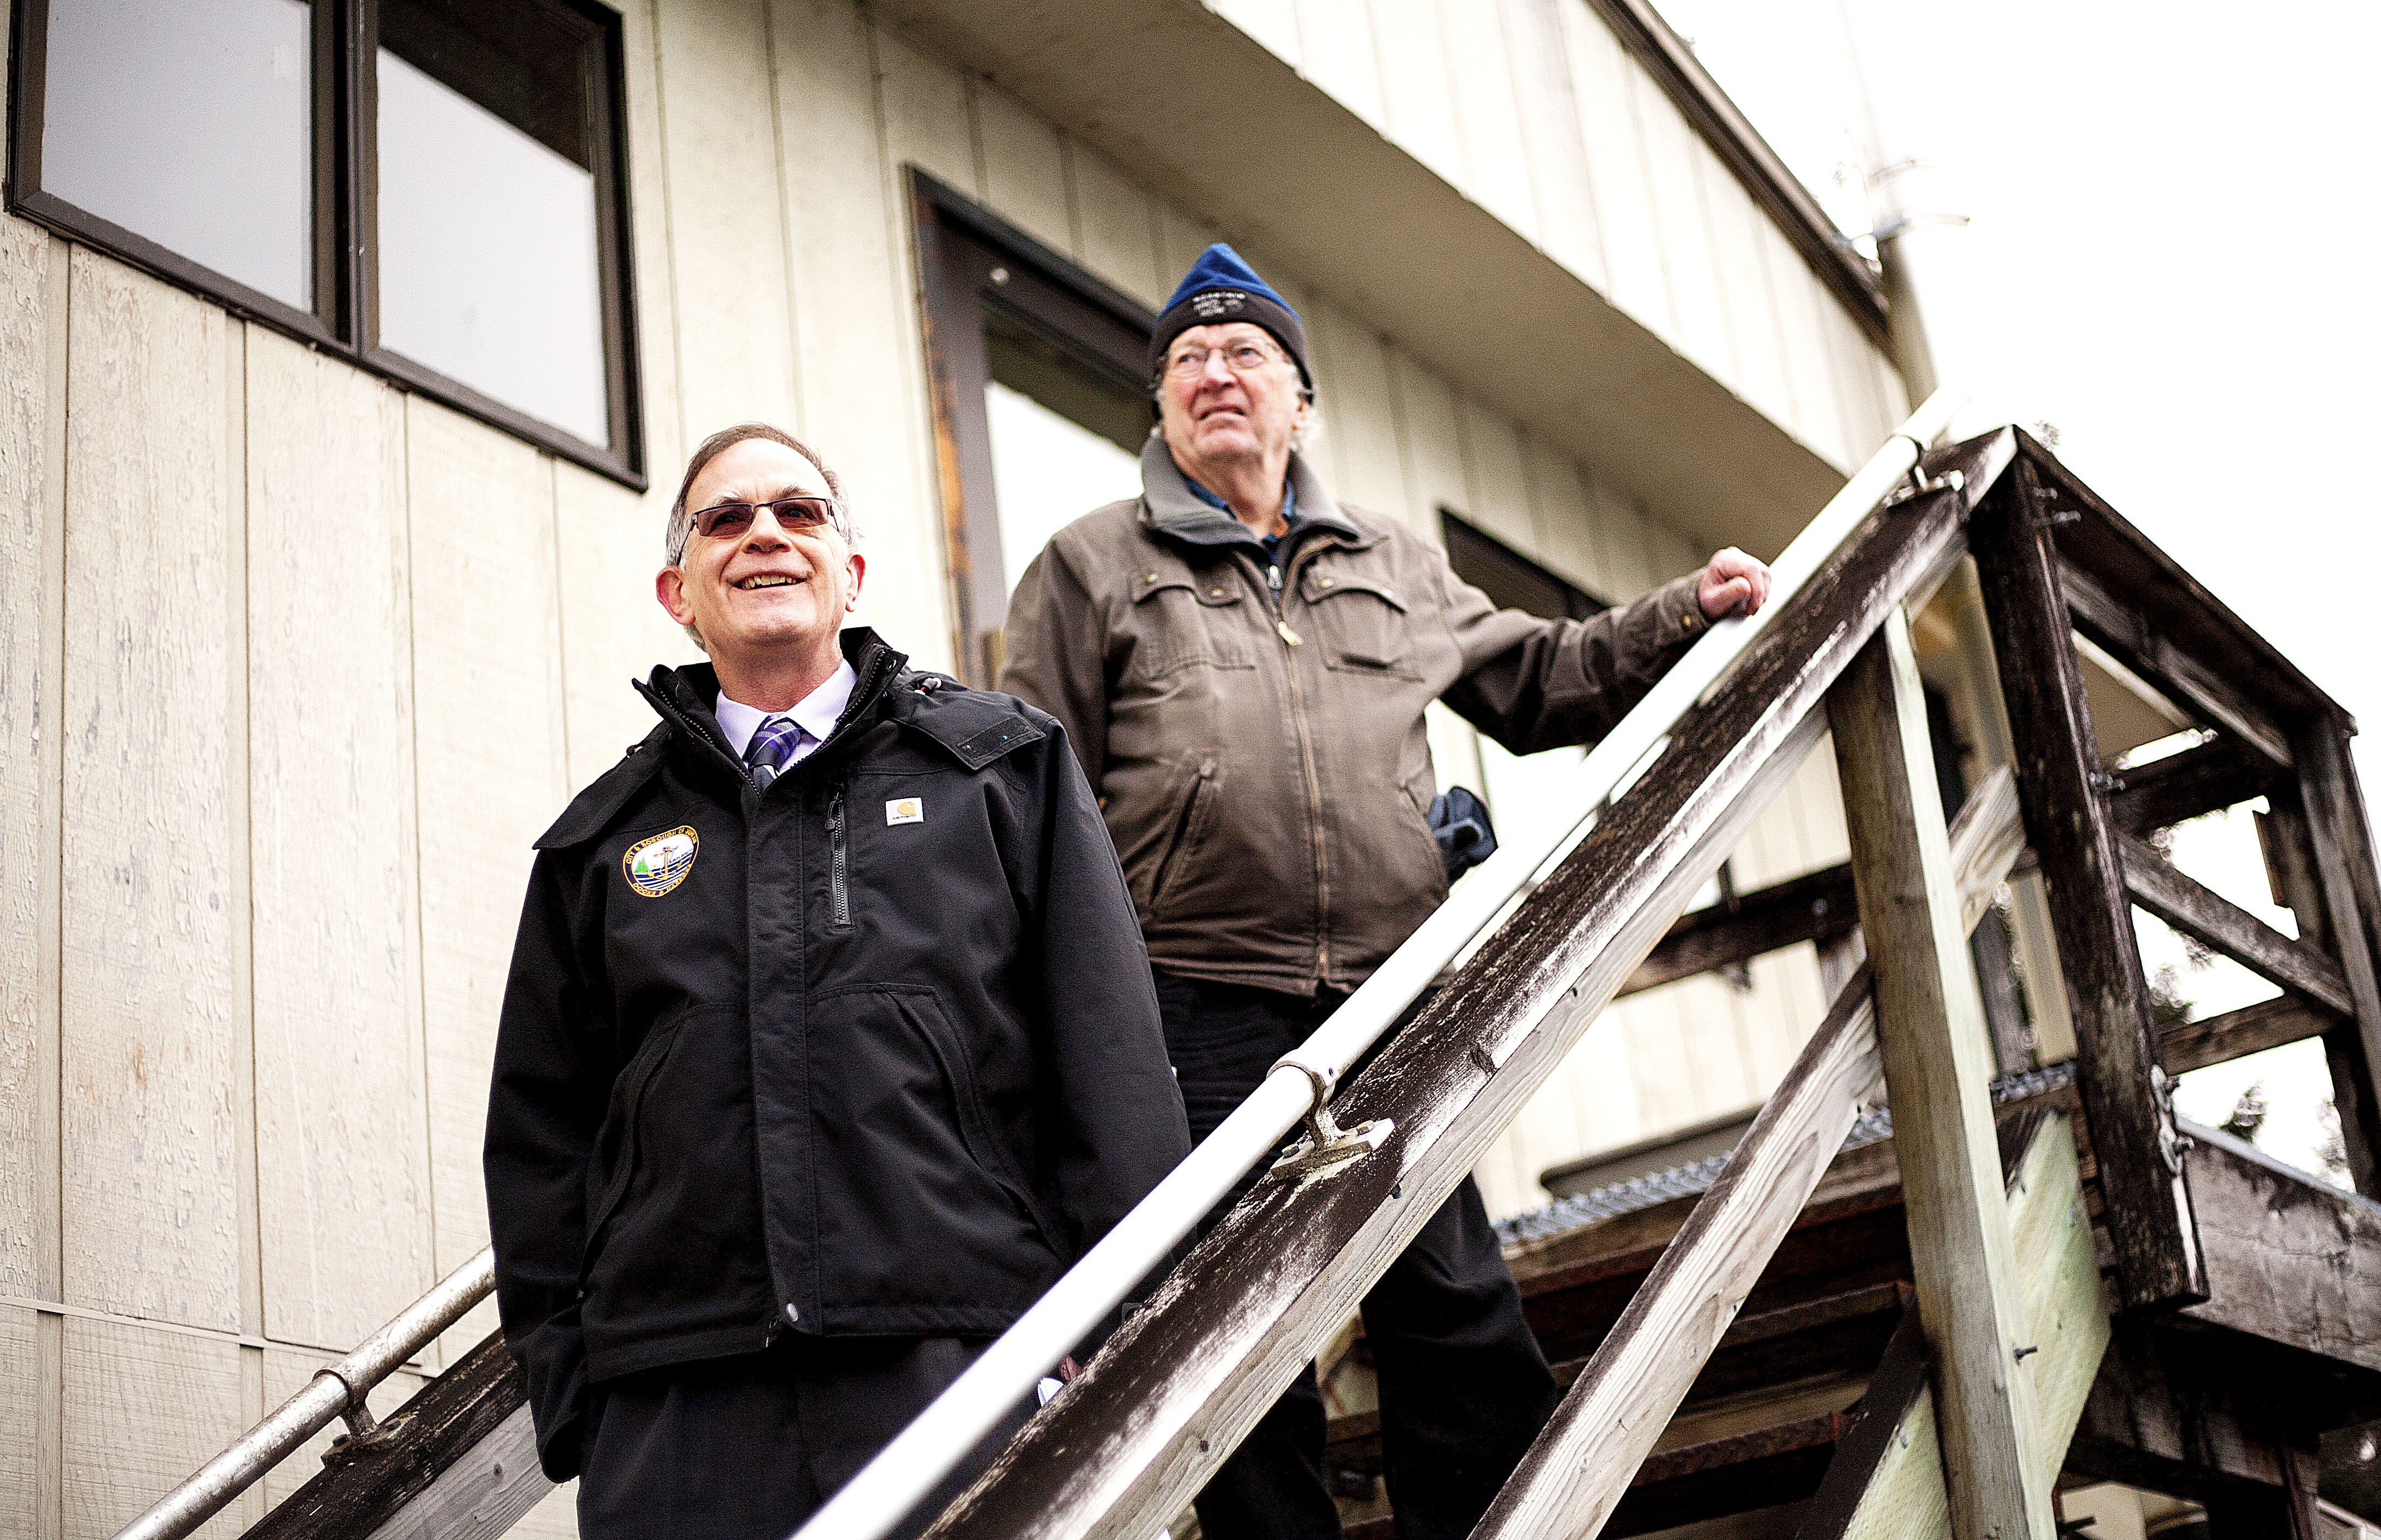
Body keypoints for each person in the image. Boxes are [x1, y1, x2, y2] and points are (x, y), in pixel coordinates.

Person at [998, 245, 1771, 1540]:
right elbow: (1031, 800)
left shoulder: (1395, 562)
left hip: (1390, 997)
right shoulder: (1090, 565)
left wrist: (1683, 613)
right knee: (1231, 1338)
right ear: (1162, 405)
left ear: (1302, 403)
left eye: (1247, 352)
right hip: (1191, 1007)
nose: (1214, 372)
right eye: (1188, 358)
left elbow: (1542, 678)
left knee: (1455, 1303)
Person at [484, 423, 1191, 1539]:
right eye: (726, 519)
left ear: (850, 573)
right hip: (678, 1397)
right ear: (678, 592)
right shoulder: (600, 843)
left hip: (962, 1354)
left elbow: (1111, 1065)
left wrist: (1116, 1326)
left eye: (799, 512)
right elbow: (541, 1138)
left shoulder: (1003, 770)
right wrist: (580, 1399)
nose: (765, 533)